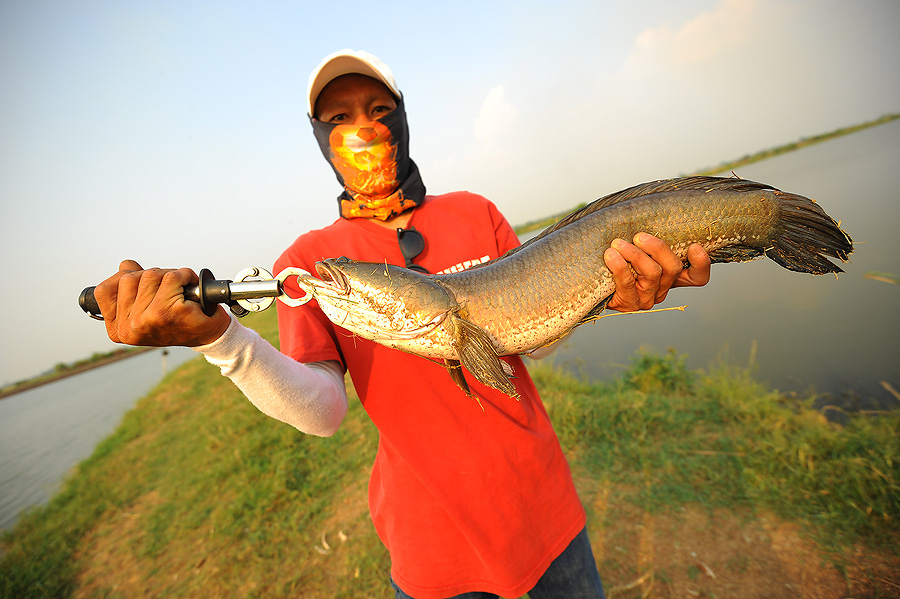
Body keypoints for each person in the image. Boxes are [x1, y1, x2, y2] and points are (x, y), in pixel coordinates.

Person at [94, 49, 711, 599]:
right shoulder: (308, 262)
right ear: (320, 138)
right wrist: (222, 340)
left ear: (402, 118)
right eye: (338, 118)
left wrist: (604, 292)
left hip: (544, 502)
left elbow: (536, 338)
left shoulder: (476, 212)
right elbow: (322, 411)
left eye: (377, 107)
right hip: (433, 545)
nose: (362, 125)